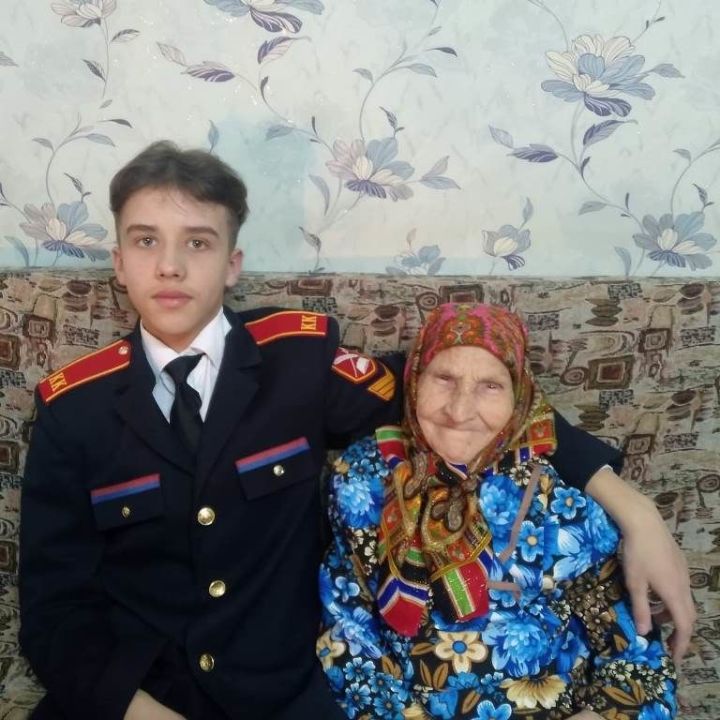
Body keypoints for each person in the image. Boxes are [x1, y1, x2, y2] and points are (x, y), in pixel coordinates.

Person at [19, 142, 689, 720]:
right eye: (146, 241)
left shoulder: (299, 360)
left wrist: (634, 509)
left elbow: (464, 402)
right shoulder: (73, 410)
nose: (170, 266)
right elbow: (55, 614)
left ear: (232, 263)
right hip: (138, 698)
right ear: (118, 262)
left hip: (278, 696)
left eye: (198, 242)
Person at [317, 303, 678, 719]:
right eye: (444, 378)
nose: (459, 410)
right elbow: (347, 633)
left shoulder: (560, 498)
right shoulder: (363, 483)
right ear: (414, 380)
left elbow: (637, 655)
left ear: (518, 396)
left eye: (490, 386)